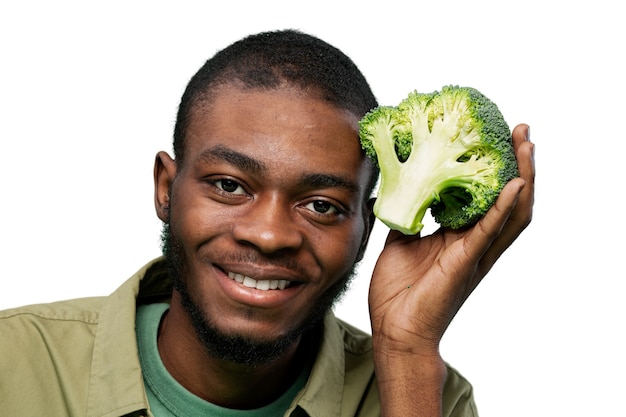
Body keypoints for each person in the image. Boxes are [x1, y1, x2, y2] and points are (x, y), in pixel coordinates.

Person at [0, 29, 534, 417]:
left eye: (322, 205)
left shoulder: (421, 393)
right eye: (229, 185)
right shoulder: (13, 365)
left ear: (365, 232)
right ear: (166, 188)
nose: (269, 234)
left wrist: (407, 348)